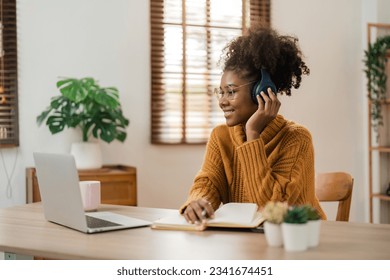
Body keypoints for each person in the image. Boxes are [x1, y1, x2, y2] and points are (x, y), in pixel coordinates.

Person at [180, 26, 326, 223]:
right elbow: (208, 183)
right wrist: (198, 202)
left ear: (262, 91)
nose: (222, 101)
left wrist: (253, 133)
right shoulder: (221, 136)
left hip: (296, 241)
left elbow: (272, 208)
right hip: (248, 243)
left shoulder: (297, 138)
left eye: (231, 92)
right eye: (220, 92)